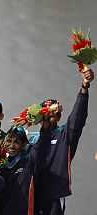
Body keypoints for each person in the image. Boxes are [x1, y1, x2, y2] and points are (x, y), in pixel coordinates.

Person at [34, 67, 94, 215]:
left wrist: (84, 87)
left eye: (53, 114)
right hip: (33, 195)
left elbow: (77, 118)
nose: (49, 117)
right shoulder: (31, 139)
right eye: (46, 114)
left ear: (59, 117)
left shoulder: (65, 136)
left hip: (54, 196)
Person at [0, 126, 50, 215]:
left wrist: (44, 126)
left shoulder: (28, 162)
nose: (11, 146)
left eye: (16, 142)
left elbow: (41, 143)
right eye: (8, 141)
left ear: (23, 144)